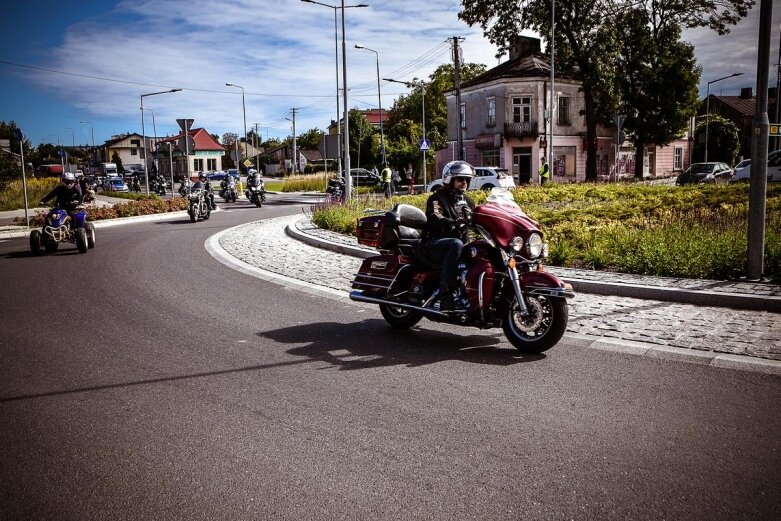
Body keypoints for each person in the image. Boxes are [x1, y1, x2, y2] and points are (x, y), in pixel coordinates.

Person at [420, 161, 476, 311]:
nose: (464, 183)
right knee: (456, 244)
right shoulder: (437, 198)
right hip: (434, 243)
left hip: (459, 242)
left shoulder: (468, 201)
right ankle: (445, 291)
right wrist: (451, 222)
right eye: (460, 179)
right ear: (450, 180)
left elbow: (478, 216)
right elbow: (435, 215)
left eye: (466, 180)